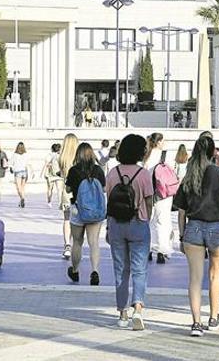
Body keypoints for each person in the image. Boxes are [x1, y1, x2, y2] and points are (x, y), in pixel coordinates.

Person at [174, 136, 219, 337]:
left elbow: (181, 210)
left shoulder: (189, 175)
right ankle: (213, 316)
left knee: (195, 279)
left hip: (193, 228)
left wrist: (182, 235)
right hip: (217, 227)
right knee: (215, 275)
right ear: (213, 153)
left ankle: (196, 323)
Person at [104, 134, 154, 330]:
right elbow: (149, 201)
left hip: (116, 224)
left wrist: (108, 227)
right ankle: (138, 309)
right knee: (139, 269)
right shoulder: (143, 174)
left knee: (120, 270)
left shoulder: (112, 173)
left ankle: (122, 313)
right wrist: (146, 217)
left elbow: (109, 201)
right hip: (138, 223)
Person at [64, 142, 107, 286]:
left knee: (77, 242)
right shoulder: (98, 170)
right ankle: (94, 270)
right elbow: (104, 189)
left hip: (78, 209)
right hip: (95, 211)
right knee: (93, 242)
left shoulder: (74, 170)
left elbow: (68, 189)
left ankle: (75, 270)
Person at [145, 133, 173, 264]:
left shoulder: (146, 156)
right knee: (163, 221)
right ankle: (162, 250)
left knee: (149, 220)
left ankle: (149, 248)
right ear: (159, 142)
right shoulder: (166, 156)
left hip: (149, 192)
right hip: (164, 193)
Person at [58, 134, 80, 259]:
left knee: (66, 219)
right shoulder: (79, 158)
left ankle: (67, 245)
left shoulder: (62, 158)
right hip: (79, 191)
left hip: (67, 191)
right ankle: (77, 244)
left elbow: (61, 174)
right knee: (78, 220)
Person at [11, 142, 31, 208]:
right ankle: (21, 200)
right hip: (24, 171)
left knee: (18, 187)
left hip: (17, 171)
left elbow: (11, 163)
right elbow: (28, 163)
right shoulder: (26, 154)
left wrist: (11, 168)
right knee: (23, 187)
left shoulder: (15, 154)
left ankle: (22, 198)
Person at [42, 143, 62, 208]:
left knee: (50, 189)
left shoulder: (49, 155)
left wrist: (44, 172)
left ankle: (49, 202)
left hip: (50, 174)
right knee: (59, 189)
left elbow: (46, 164)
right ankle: (60, 203)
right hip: (59, 174)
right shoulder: (60, 156)